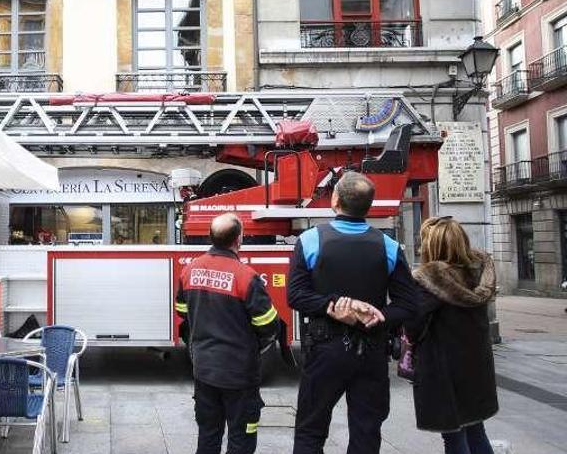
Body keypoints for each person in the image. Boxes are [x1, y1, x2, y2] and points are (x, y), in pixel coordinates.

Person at [287, 171, 418, 454]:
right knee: (366, 432)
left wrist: (332, 306)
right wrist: (376, 314)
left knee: (310, 430)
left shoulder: (310, 240)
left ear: (334, 199)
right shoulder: (389, 247)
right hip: (372, 353)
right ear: (369, 206)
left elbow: (295, 295)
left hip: (324, 351)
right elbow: (408, 305)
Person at [175, 213, 282, 454]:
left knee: (208, 436)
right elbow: (268, 325)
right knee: (241, 439)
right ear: (239, 239)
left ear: (211, 237)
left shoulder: (190, 270)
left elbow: (182, 310)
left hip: (204, 370)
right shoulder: (247, 277)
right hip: (239, 374)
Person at [408, 216, 498, 454]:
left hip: (443, 370)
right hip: (477, 367)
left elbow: (414, 328)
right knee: (476, 430)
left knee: (453, 437)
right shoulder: (478, 273)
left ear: (433, 246)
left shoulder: (428, 281)